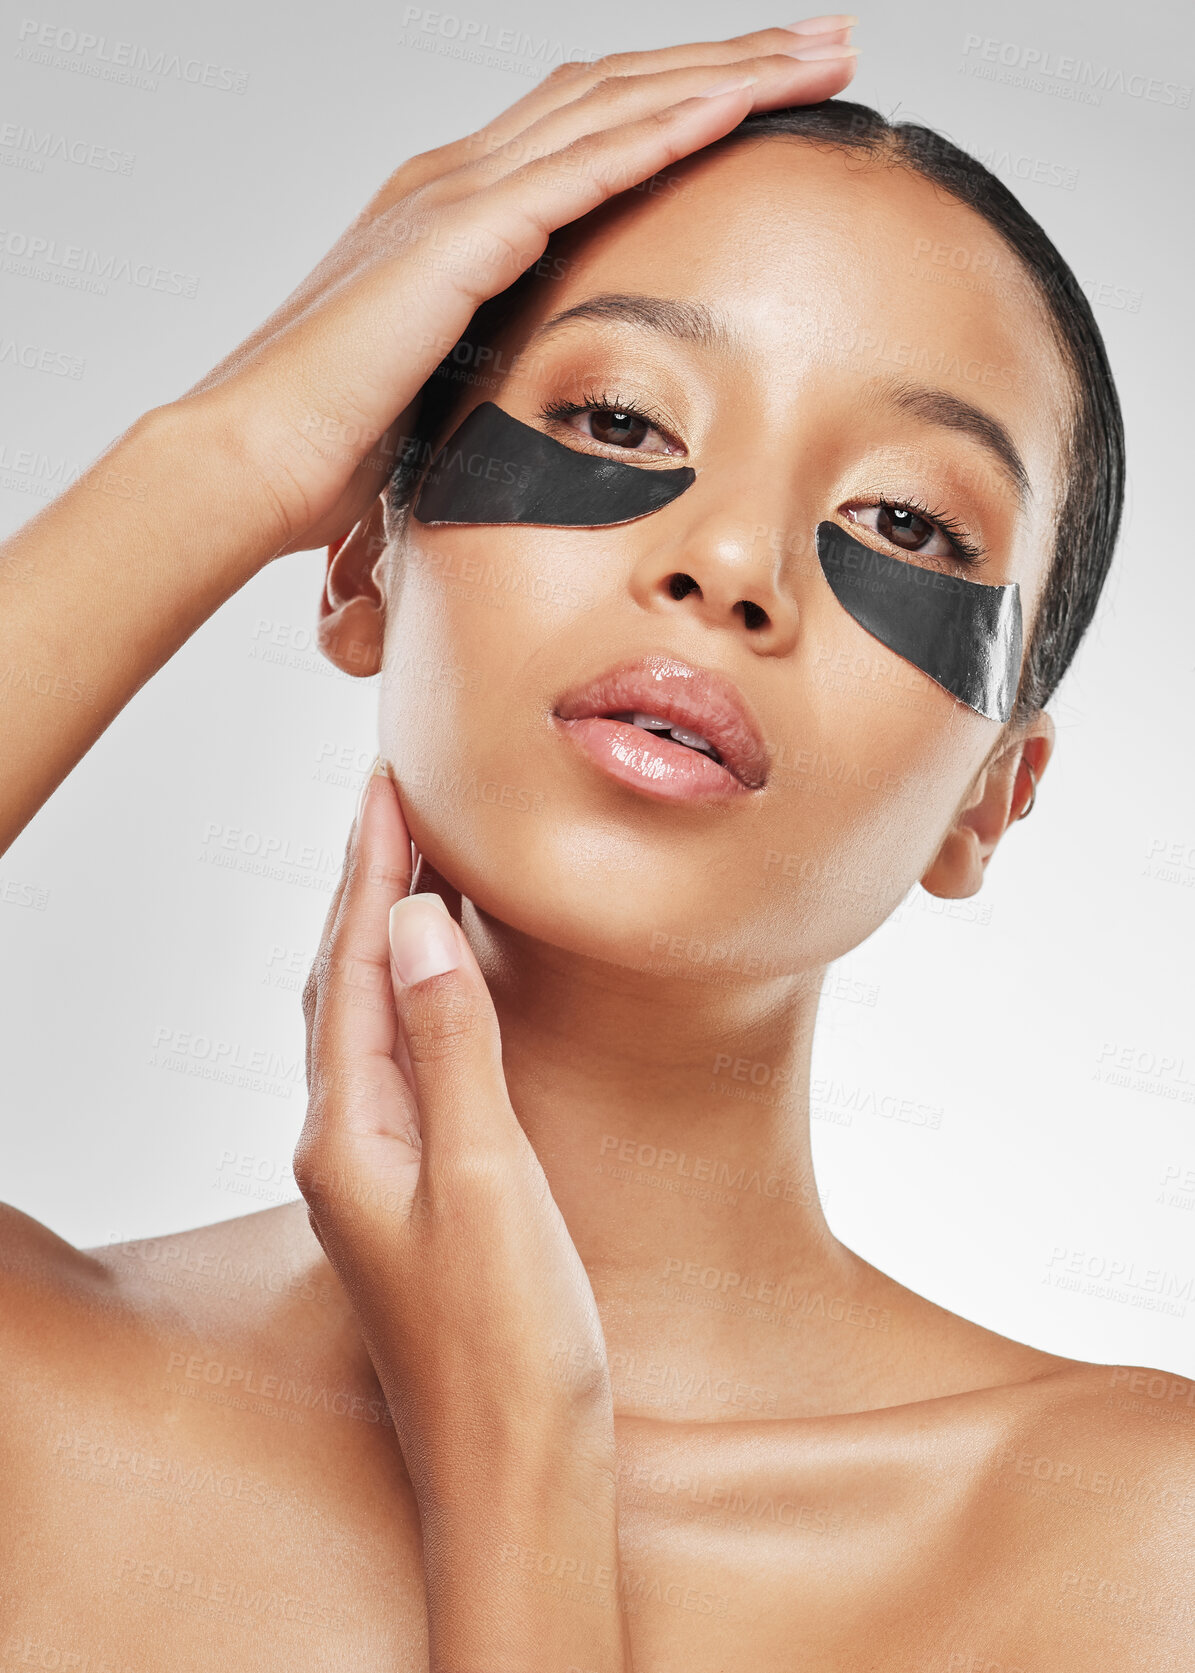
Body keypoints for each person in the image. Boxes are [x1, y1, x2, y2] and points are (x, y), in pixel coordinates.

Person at [2, 20, 1191, 1670]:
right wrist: (227, 451)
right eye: (624, 420)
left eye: (906, 522)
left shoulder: (1129, 1547)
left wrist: (523, 1484)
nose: (729, 558)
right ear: (358, 564)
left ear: (993, 794)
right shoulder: (37, 1395)